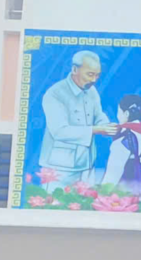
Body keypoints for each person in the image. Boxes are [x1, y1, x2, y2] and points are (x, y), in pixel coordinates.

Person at [37, 48, 116, 186]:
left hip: (87, 163)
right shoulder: (55, 93)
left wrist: (107, 126)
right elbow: (59, 131)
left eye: (97, 75)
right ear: (74, 70)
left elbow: (98, 115)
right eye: (90, 74)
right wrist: (96, 130)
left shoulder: (91, 90)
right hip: (59, 168)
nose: (94, 80)